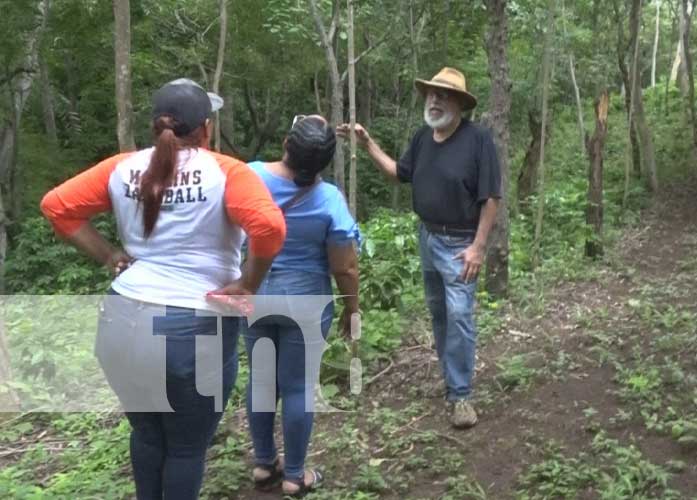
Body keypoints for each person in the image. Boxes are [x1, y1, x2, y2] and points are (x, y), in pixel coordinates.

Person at [40, 78, 286, 500]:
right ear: (205, 129)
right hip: (190, 327)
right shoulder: (226, 172)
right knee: (186, 448)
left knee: (149, 435)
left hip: (120, 320)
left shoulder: (121, 167)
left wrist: (109, 256)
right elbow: (269, 226)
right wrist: (248, 283)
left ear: (156, 126)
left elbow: (57, 206)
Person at [337, 67, 501, 429]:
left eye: (443, 95)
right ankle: (451, 380)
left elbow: (491, 198)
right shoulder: (423, 138)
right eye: (430, 93)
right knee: (440, 314)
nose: (434, 100)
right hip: (427, 238)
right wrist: (367, 144)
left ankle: (461, 395)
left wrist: (478, 247)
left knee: (460, 317)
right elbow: (400, 172)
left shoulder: (478, 141)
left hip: (461, 244)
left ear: (459, 104)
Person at [244, 115, 360, 496]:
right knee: (297, 387)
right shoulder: (329, 200)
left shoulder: (251, 177)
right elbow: (343, 267)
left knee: (261, 380)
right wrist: (351, 308)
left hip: (255, 292)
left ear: (284, 143)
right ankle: (294, 475)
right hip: (306, 301)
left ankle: (264, 464)